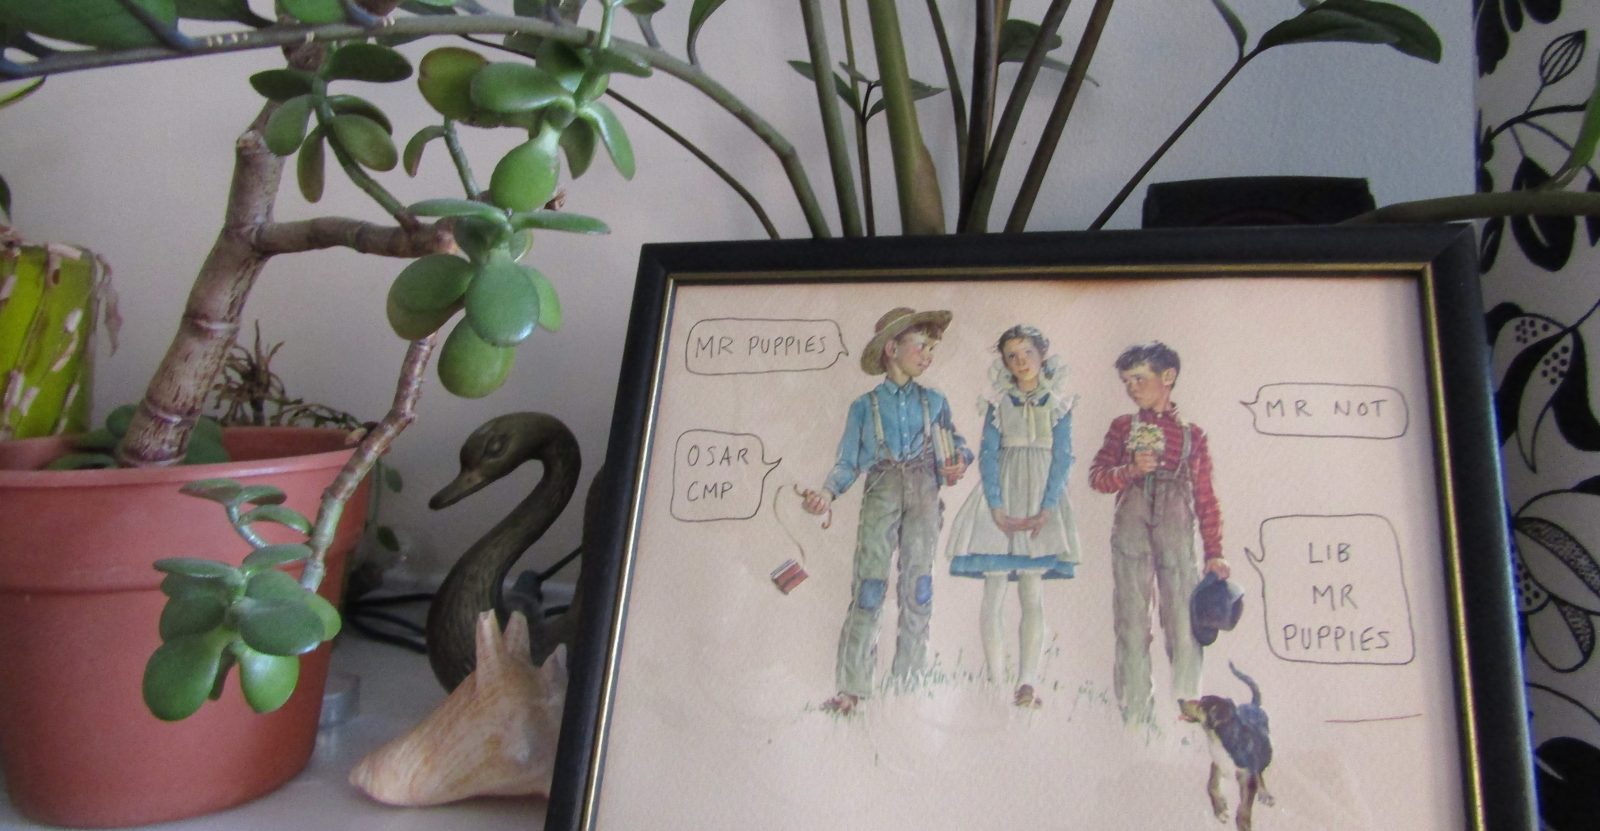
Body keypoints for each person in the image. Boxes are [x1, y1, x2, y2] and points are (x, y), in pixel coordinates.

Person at [803, 306, 971, 715]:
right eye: (921, 346)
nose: (927, 356)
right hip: (881, 492)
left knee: (918, 587)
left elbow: (956, 447)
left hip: (925, 494)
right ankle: (852, 688)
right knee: (869, 588)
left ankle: (909, 685)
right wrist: (827, 493)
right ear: (892, 349)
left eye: (931, 349)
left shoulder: (935, 402)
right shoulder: (864, 406)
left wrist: (958, 461)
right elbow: (848, 462)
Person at [1088, 341, 1230, 727]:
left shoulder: (1192, 435)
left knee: (1183, 617)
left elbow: (1205, 497)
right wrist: (1130, 470)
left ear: (1168, 377)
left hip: (1177, 531)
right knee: (1132, 620)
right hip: (1130, 530)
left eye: (1139, 379)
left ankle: (1188, 697)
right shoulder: (1122, 428)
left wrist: (1215, 551)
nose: (1132, 388)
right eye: (1126, 382)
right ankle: (1135, 707)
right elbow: (1097, 478)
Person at [945, 324, 1080, 708]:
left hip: (1040, 497)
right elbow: (988, 455)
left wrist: (1048, 507)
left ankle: (1027, 682)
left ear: (1042, 355)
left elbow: (1063, 457)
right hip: (1003, 495)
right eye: (1012, 357)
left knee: (1032, 591)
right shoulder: (997, 403)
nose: (1021, 362)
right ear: (1004, 363)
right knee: (994, 589)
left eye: (1027, 354)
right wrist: (996, 506)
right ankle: (994, 679)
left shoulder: (1059, 403)